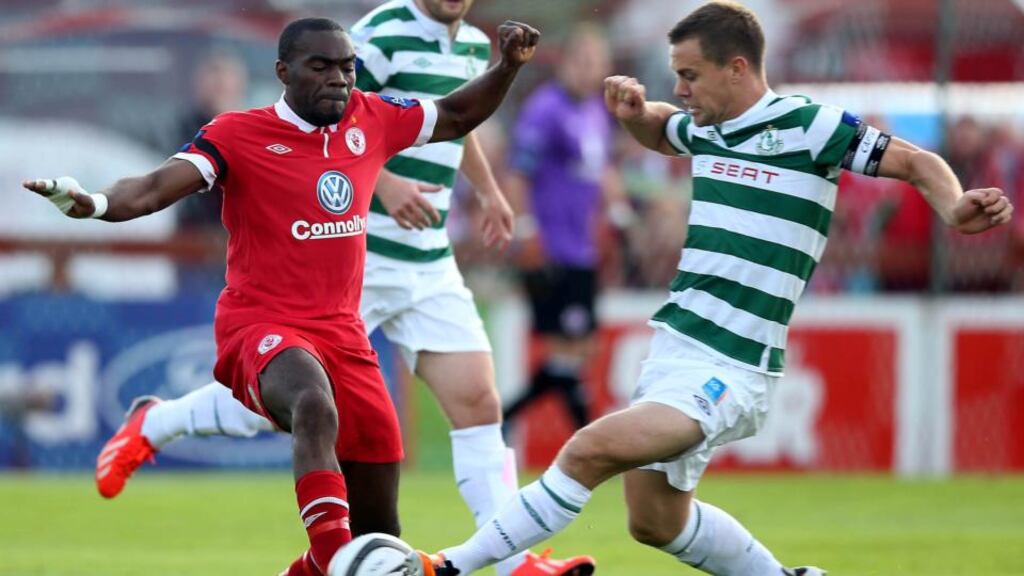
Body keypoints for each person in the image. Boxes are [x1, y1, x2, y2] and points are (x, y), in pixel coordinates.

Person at [417, 2, 1015, 575]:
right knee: (654, 520)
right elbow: (661, 129)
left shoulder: (810, 126)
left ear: (737, 68)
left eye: (689, 75)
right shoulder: (709, 125)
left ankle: (447, 566)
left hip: (732, 366)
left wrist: (956, 204)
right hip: (674, 346)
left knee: (588, 450)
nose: (680, 90)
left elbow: (914, 161)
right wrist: (633, 111)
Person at [24, 16, 540, 575]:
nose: (338, 80)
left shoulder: (371, 118)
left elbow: (459, 115)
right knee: (314, 406)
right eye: (320, 67)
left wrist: (508, 67)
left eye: (346, 68)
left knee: (380, 536)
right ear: (283, 72)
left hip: (343, 333)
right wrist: (94, 204)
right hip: (259, 324)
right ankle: (330, 559)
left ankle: (319, 565)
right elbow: (151, 188)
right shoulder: (237, 134)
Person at [501, 24, 627, 432]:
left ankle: (505, 418)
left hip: (583, 247)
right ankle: (590, 442)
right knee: (569, 347)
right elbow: (519, 174)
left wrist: (618, 213)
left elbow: (603, 169)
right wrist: (525, 230)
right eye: (584, 60)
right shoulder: (545, 109)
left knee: (576, 351)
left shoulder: (595, 112)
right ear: (567, 62)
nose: (591, 70)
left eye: (598, 63)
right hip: (552, 245)